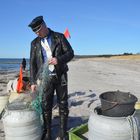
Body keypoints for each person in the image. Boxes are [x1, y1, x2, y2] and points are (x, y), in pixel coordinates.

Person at [28, 16, 74, 140]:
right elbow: (32, 63)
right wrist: (32, 81)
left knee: (63, 105)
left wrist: (58, 60)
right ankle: (47, 132)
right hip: (45, 78)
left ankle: (63, 132)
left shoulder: (59, 37)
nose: (37, 33)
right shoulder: (34, 43)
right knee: (46, 105)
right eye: (34, 31)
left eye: (38, 30)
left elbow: (70, 53)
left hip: (61, 76)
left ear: (44, 25)